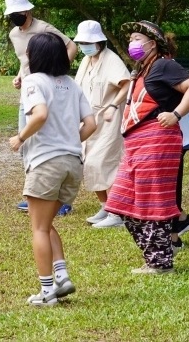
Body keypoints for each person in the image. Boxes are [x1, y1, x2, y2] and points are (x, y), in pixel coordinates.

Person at [105, 20, 189, 274]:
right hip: (137, 145)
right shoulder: (143, 69)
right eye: (131, 39)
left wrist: (176, 114)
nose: (132, 43)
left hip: (158, 141)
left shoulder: (163, 65)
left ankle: (160, 262)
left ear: (153, 43)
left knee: (154, 202)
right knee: (122, 201)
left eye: (138, 38)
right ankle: (157, 255)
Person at [9, 32, 96, 305]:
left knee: (38, 229)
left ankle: (47, 292)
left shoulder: (33, 80)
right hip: (73, 164)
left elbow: (41, 114)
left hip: (46, 163)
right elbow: (91, 124)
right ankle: (62, 277)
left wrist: (20, 138)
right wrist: (68, 142)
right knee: (45, 224)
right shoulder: (71, 84)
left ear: (35, 57)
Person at [4, 0, 77, 213]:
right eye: (11, 15)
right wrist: (20, 76)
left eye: (18, 13)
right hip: (28, 92)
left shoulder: (44, 29)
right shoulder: (14, 34)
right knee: (27, 143)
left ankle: (62, 201)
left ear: (27, 11)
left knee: (51, 142)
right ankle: (36, 194)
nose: (15, 17)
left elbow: (71, 46)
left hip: (48, 92)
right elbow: (24, 61)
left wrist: (56, 73)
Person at [73, 20, 129, 229]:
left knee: (105, 162)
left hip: (108, 121)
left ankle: (118, 212)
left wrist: (114, 105)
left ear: (99, 41)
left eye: (88, 41)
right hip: (89, 119)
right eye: (82, 42)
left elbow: (125, 84)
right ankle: (106, 206)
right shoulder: (87, 60)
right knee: (89, 162)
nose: (84, 45)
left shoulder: (112, 60)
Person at [166, 33, 189, 250]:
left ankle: (175, 234)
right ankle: (181, 219)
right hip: (172, 135)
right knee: (170, 184)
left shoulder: (168, 67)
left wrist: (175, 116)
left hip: (175, 135)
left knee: (171, 185)